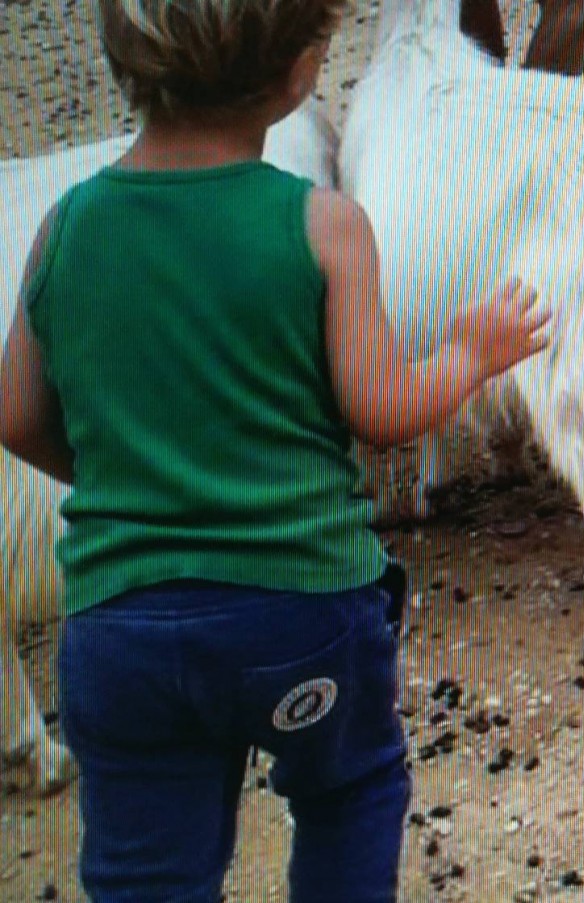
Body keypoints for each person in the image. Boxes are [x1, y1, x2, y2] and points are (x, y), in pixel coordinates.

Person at [0, 1, 551, 900]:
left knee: (145, 867)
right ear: (300, 68)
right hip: (301, 617)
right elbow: (383, 413)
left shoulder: (64, 228)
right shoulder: (324, 224)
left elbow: (15, 412)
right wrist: (472, 353)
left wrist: (119, 480)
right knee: (348, 791)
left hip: (120, 633)